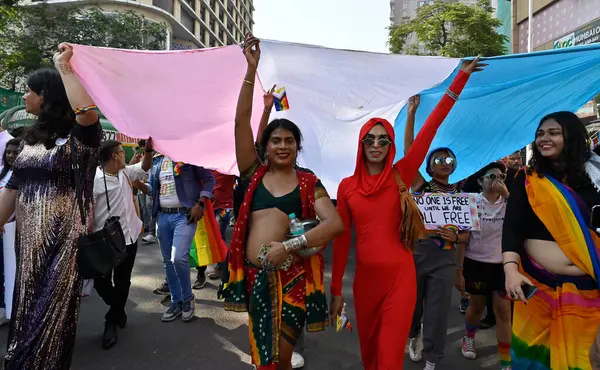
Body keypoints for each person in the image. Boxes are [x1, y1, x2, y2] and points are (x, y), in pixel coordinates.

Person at [331, 58, 484, 370]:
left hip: (401, 278)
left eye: (383, 140)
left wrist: (460, 79)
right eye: (369, 139)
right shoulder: (346, 187)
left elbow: (432, 128)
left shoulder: (402, 173)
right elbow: (343, 240)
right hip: (365, 283)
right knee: (370, 356)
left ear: (391, 145)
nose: (376, 145)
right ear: (361, 144)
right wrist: (335, 292)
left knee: (389, 359)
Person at [222, 34, 344, 370]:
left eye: (289, 140)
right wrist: (251, 70)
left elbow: (335, 223)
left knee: (282, 357)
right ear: (266, 146)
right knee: (266, 360)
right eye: (275, 140)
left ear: (297, 147)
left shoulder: (307, 182)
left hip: (292, 281)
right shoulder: (253, 174)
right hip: (253, 278)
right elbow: (238, 124)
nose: (282, 145)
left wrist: (289, 247)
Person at [0, 43, 102, 369]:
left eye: (29, 91)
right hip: (28, 247)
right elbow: (12, 188)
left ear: (46, 95)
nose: (25, 97)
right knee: (26, 312)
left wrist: (63, 67)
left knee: (52, 323)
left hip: (63, 246)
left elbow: (87, 113)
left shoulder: (80, 138)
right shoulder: (27, 141)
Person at [502, 111, 600, 370]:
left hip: (589, 291)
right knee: (533, 360)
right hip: (537, 288)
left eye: (554, 133)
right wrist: (510, 271)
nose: (544, 138)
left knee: (586, 359)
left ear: (573, 136)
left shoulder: (596, 177)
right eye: (540, 134)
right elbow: (512, 227)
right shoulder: (528, 178)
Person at [406, 106, 472, 367]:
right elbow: (410, 153)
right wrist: (411, 115)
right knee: (414, 308)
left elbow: (466, 236)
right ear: (429, 166)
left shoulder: (463, 195)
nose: (444, 164)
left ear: (455, 165)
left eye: (449, 160)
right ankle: (414, 335)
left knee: (437, 313)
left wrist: (455, 240)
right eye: (438, 160)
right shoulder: (421, 187)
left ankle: (432, 359)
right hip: (416, 254)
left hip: (444, 260)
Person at [93, 138, 153, 349]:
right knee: (101, 282)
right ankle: (117, 307)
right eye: (121, 151)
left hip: (129, 238)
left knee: (123, 281)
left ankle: (111, 320)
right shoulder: (95, 180)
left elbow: (145, 166)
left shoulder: (126, 173)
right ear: (114, 155)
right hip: (103, 242)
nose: (124, 155)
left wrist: (149, 150)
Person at [143, 153, 214, 322]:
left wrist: (200, 204)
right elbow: (154, 189)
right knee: (168, 260)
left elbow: (210, 180)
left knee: (178, 258)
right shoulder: (157, 160)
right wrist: (140, 185)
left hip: (184, 215)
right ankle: (176, 301)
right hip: (162, 216)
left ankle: (188, 298)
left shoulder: (188, 155)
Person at [455, 162, 512, 369]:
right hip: (476, 263)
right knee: (477, 307)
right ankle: (468, 337)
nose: (497, 181)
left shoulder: (508, 201)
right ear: (480, 181)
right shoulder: (472, 202)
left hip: (503, 264)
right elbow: (463, 239)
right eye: (492, 177)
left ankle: (506, 358)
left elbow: (521, 218)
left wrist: (506, 194)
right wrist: (458, 270)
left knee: (503, 311)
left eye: (501, 177)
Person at [0, 138, 20, 325]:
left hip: (13, 232)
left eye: (15, 152)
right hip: (2, 230)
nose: (12, 155)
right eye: (9, 152)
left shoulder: (25, 177)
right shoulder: (2, 173)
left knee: (11, 272)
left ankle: (11, 308)